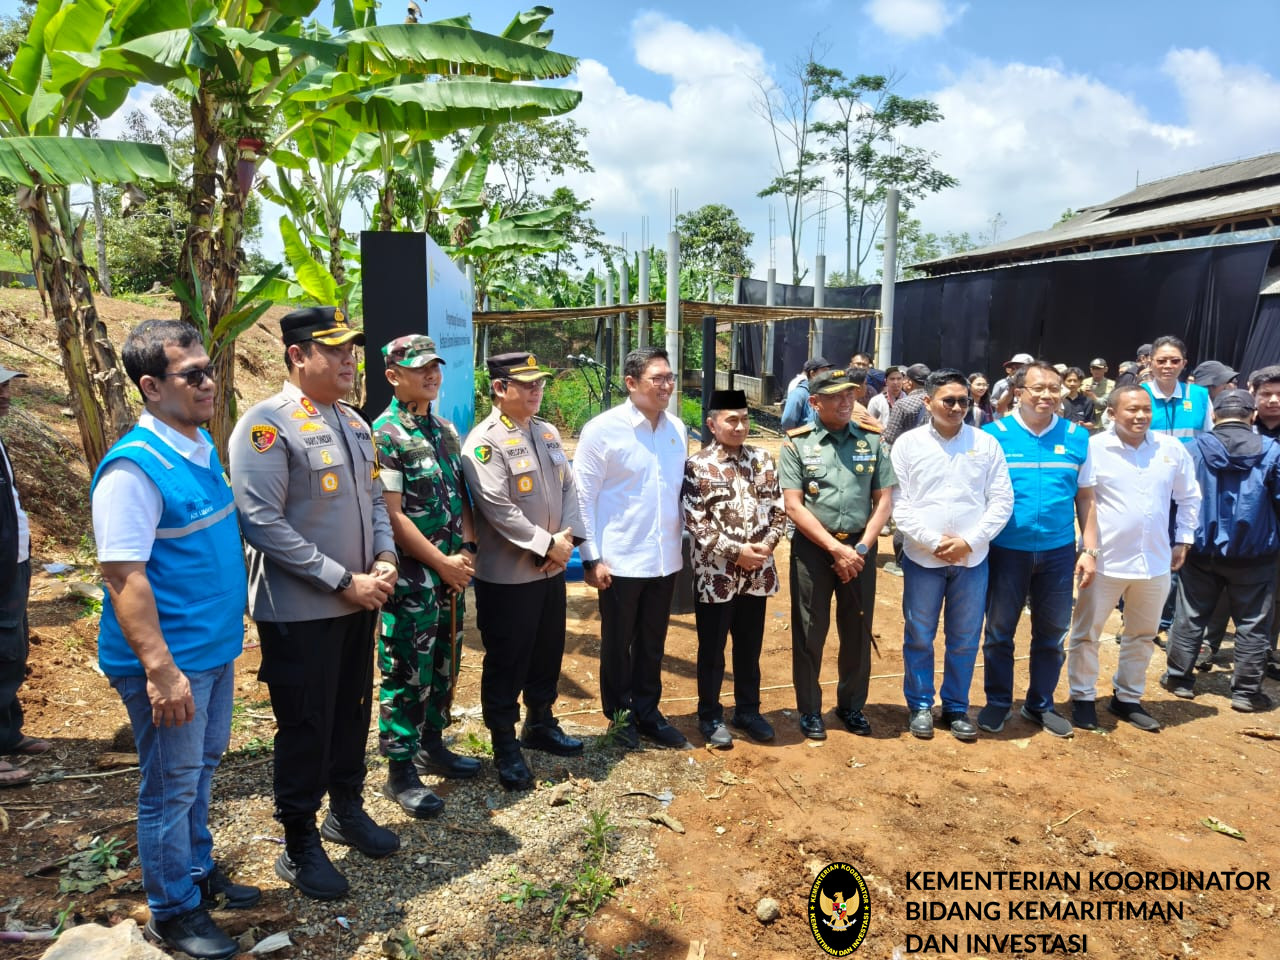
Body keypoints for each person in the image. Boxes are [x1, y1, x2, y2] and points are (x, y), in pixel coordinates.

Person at [91, 321, 257, 960]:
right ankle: (173, 911)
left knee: (200, 769)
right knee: (170, 784)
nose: (209, 383)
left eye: (209, 369)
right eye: (192, 375)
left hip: (212, 651)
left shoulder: (199, 445)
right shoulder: (131, 471)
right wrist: (160, 670)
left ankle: (194, 871)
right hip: (172, 665)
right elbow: (123, 575)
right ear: (151, 386)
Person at [230, 306, 399, 902]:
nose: (351, 359)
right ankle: (299, 842)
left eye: (352, 348)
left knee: (352, 710)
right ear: (298, 356)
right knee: (306, 724)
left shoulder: (355, 424)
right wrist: (341, 579)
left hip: (359, 601)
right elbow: (261, 523)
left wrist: (383, 560)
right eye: (336, 350)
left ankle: (346, 809)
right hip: (300, 612)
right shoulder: (265, 426)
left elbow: (376, 501)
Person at [462, 352, 587, 789]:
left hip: (551, 571)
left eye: (540, 383)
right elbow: (497, 507)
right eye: (526, 383)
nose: (536, 389)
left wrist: (568, 542)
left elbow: (569, 488)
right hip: (510, 576)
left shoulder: (547, 432)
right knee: (507, 660)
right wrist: (548, 544)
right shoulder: (484, 441)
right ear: (500, 388)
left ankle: (540, 722)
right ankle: (504, 745)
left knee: (548, 650)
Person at [371, 335, 478, 819]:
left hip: (450, 575)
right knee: (404, 672)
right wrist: (441, 562)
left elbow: (461, 497)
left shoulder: (445, 430)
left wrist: (467, 551)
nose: (432, 375)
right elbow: (392, 517)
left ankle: (432, 745)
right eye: (420, 369)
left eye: (435, 367)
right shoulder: (385, 434)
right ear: (394, 376)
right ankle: (400, 771)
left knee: (444, 666)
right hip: (413, 579)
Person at [1066, 386, 1200, 732]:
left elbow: (1189, 497)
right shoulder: (1094, 449)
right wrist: (1086, 550)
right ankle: (1082, 697)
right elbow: (1082, 500)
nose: (1140, 416)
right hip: (1106, 560)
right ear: (1111, 413)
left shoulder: (1169, 449)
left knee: (1142, 633)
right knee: (1086, 633)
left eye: (1145, 410)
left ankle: (1127, 698)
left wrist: (1183, 539)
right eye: (1131, 410)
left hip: (1154, 560)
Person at [576, 346, 689, 749]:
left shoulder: (677, 428)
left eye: (670, 378)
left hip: (665, 558)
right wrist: (591, 557)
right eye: (657, 378)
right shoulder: (602, 430)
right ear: (631, 383)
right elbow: (583, 498)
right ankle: (620, 716)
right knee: (618, 643)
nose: (667, 386)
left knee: (653, 642)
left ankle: (649, 711)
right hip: (619, 560)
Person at [890, 370, 1012, 741]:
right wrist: (932, 541)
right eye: (949, 400)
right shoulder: (908, 445)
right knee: (920, 635)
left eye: (964, 401)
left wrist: (969, 542)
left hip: (971, 561)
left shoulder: (986, 443)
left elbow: (1002, 500)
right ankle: (921, 705)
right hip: (923, 558)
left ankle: (957, 706)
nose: (957, 407)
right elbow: (898, 502)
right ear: (928, 403)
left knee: (964, 637)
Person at [980, 362, 1098, 739]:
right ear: (1018, 391)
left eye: (1054, 388)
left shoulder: (1078, 437)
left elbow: (1087, 497)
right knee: (999, 631)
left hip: (1058, 552)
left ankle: (1039, 704)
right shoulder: (992, 436)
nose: (1047, 395)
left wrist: (1089, 548)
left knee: (1052, 633)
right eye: (1038, 388)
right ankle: (998, 701)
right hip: (1005, 550)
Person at [780, 368, 895, 740]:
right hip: (815, 550)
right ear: (814, 402)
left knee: (857, 630)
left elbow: (884, 502)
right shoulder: (797, 444)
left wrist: (859, 549)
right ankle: (810, 709)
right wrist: (835, 549)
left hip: (861, 548)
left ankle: (851, 706)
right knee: (810, 630)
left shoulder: (873, 441)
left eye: (850, 395)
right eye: (835, 396)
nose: (846, 402)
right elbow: (794, 507)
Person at [1162, 389, 1280, 712]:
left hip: (1200, 550)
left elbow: (1174, 499)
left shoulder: (1192, 449)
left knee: (1190, 613)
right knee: (1253, 623)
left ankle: (1178, 678)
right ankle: (1245, 692)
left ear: (1214, 416)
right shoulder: (1272, 451)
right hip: (1255, 554)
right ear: (1252, 415)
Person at [681, 390, 786, 748]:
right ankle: (710, 715)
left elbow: (778, 511)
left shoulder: (763, 459)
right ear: (712, 424)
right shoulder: (697, 466)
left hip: (757, 572)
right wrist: (736, 551)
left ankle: (748, 710)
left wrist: (765, 547)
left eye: (744, 418)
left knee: (749, 645)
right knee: (712, 648)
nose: (740, 426)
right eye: (732, 419)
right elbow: (696, 521)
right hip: (716, 576)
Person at [0, 362, 49, 789]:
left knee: (12, 646)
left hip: (11, 563)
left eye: (5, 386)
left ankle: (7, 734)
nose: (4, 394)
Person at [1143, 336, 1212, 442]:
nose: (1168, 366)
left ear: (1183, 364)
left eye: (1175, 361)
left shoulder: (1199, 395)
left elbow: (1210, 437)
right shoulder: (1137, 395)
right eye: (1161, 361)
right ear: (1150, 363)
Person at [881, 363, 931, 446]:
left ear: (909, 383)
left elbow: (890, 438)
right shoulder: (937, 401)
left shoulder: (901, 404)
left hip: (909, 453)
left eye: (904, 379)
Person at [780, 357, 832, 430]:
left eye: (828, 371)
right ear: (813, 374)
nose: (828, 375)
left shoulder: (824, 394)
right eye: (824, 371)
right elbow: (788, 421)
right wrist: (798, 438)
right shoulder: (799, 393)